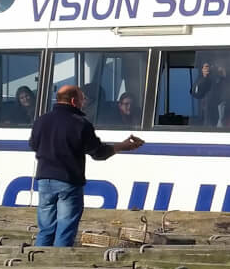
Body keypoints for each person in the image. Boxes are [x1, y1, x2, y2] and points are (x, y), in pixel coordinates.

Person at [28, 85, 143, 247]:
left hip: (44, 179)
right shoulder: (81, 124)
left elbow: (33, 145)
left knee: (46, 228)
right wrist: (122, 146)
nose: (83, 103)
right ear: (74, 101)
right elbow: (98, 153)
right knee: (65, 227)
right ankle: (57, 263)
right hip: (68, 180)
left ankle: (37, 261)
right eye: (82, 99)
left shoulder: (41, 121)